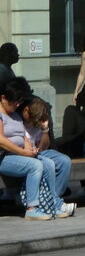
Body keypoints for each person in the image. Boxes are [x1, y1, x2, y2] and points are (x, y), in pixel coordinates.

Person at [0, 78, 73, 220]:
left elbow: (23, 137)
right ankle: (32, 208)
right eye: (14, 102)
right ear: (3, 98)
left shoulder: (15, 115)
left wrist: (30, 149)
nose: (17, 105)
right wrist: (23, 152)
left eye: (19, 102)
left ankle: (53, 203)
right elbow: (1, 141)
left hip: (16, 155)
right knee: (35, 165)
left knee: (49, 163)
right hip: (3, 157)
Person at [21, 97, 74, 217]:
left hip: (38, 151)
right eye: (31, 121)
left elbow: (43, 147)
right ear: (26, 110)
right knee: (47, 163)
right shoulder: (18, 120)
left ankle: (53, 199)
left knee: (64, 161)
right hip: (24, 153)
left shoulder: (38, 120)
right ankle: (55, 203)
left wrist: (45, 130)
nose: (32, 124)